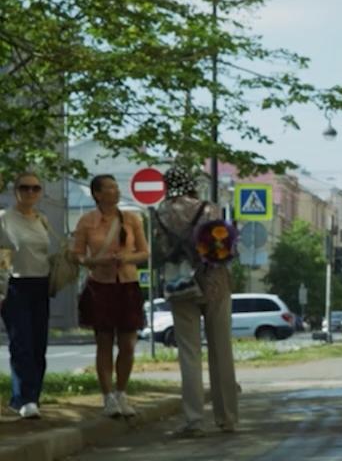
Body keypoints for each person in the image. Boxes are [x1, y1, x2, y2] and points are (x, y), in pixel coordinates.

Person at [152, 165, 237, 437]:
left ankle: (194, 420)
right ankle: (227, 418)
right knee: (221, 350)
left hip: (181, 284)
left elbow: (161, 250)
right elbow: (224, 246)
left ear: (167, 186)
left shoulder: (161, 213)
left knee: (189, 353)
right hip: (214, 282)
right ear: (191, 184)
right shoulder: (209, 209)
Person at [71, 173, 148, 419]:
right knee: (104, 342)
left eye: (116, 187)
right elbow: (77, 254)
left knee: (127, 344)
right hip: (100, 286)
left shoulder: (132, 218)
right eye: (109, 188)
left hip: (127, 284)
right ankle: (107, 397)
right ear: (97, 194)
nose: (115, 191)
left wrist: (127, 258)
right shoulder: (87, 221)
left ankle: (121, 392)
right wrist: (94, 261)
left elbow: (144, 252)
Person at [0, 172, 54, 419]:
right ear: (15, 191)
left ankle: (33, 396)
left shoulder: (42, 219)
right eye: (25, 188)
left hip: (40, 285)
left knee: (38, 345)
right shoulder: (5, 218)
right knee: (21, 343)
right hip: (15, 285)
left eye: (35, 188)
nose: (30, 192)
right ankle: (24, 399)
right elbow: (2, 256)